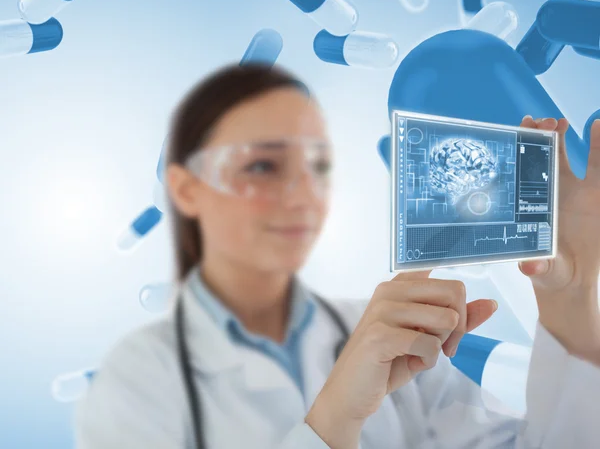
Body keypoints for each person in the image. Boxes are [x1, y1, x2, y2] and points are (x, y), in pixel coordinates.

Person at [75, 63, 600, 449]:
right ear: (187, 190)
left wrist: (572, 315)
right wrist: (332, 423)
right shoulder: (137, 382)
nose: (299, 192)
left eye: (315, 166)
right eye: (261, 165)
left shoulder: (390, 339)